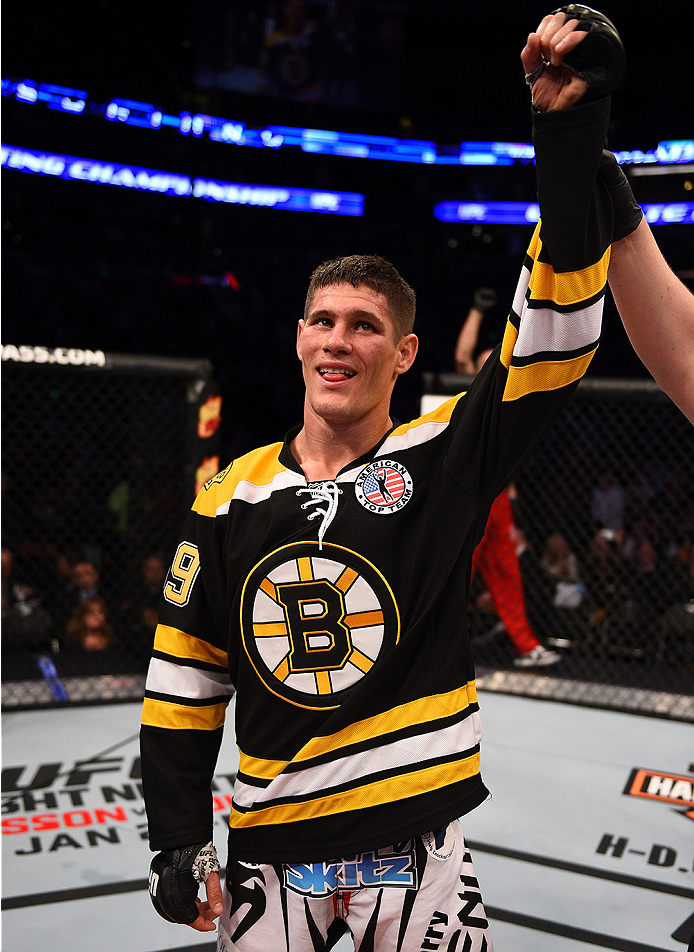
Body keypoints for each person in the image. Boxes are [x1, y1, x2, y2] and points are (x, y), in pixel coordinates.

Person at [141, 9, 638, 950]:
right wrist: (174, 840)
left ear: (405, 352)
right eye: (323, 320)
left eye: (365, 325)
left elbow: (557, 336)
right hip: (270, 853)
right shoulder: (228, 497)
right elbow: (184, 678)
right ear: (297, 338)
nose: (339, 341)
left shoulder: (442, 454)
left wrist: (570, 131)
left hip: (419, 843)